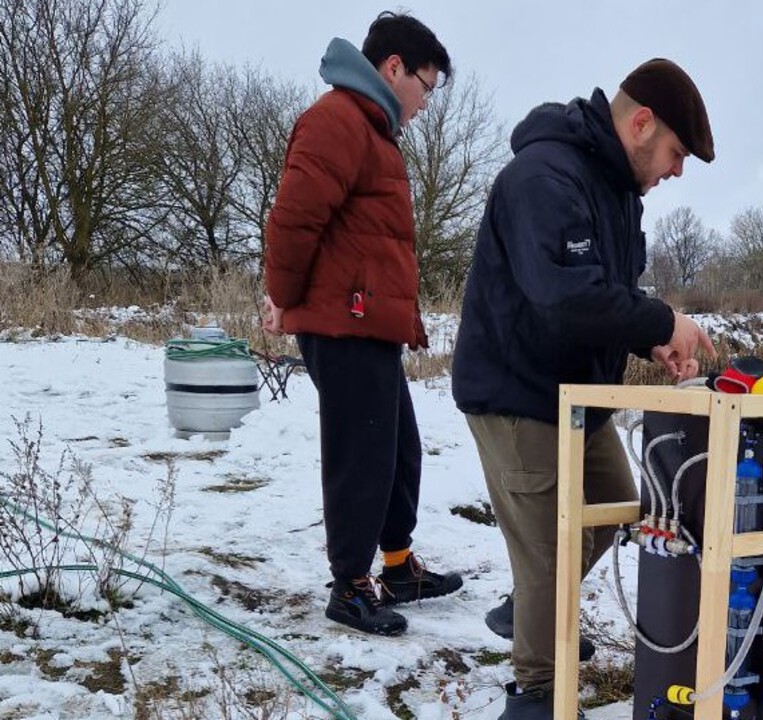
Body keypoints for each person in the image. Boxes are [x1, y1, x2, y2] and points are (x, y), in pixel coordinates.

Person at [452, 58, 717, 719]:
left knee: (619, 505)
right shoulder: (542, 177)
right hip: (515, 393)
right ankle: (536, 693)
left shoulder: (619, 192)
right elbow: (562, 299)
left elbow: (607, 296)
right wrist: (663, 319)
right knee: (546, 551)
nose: (677, 171)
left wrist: (651, 338)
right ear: (641, 123)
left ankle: (527, 612)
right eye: (676, 153)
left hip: (578, 398)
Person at [262, 11, 462, 637]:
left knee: (398, 448)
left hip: (370, 323)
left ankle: (399, 567)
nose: (427, 103)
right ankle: (350, 585)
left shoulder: (374, 131)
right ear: (393, 68)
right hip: (341, 322)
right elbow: (292, 222)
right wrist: (280, 298)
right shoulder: (336, 121)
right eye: (426, 87)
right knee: (360, 454)